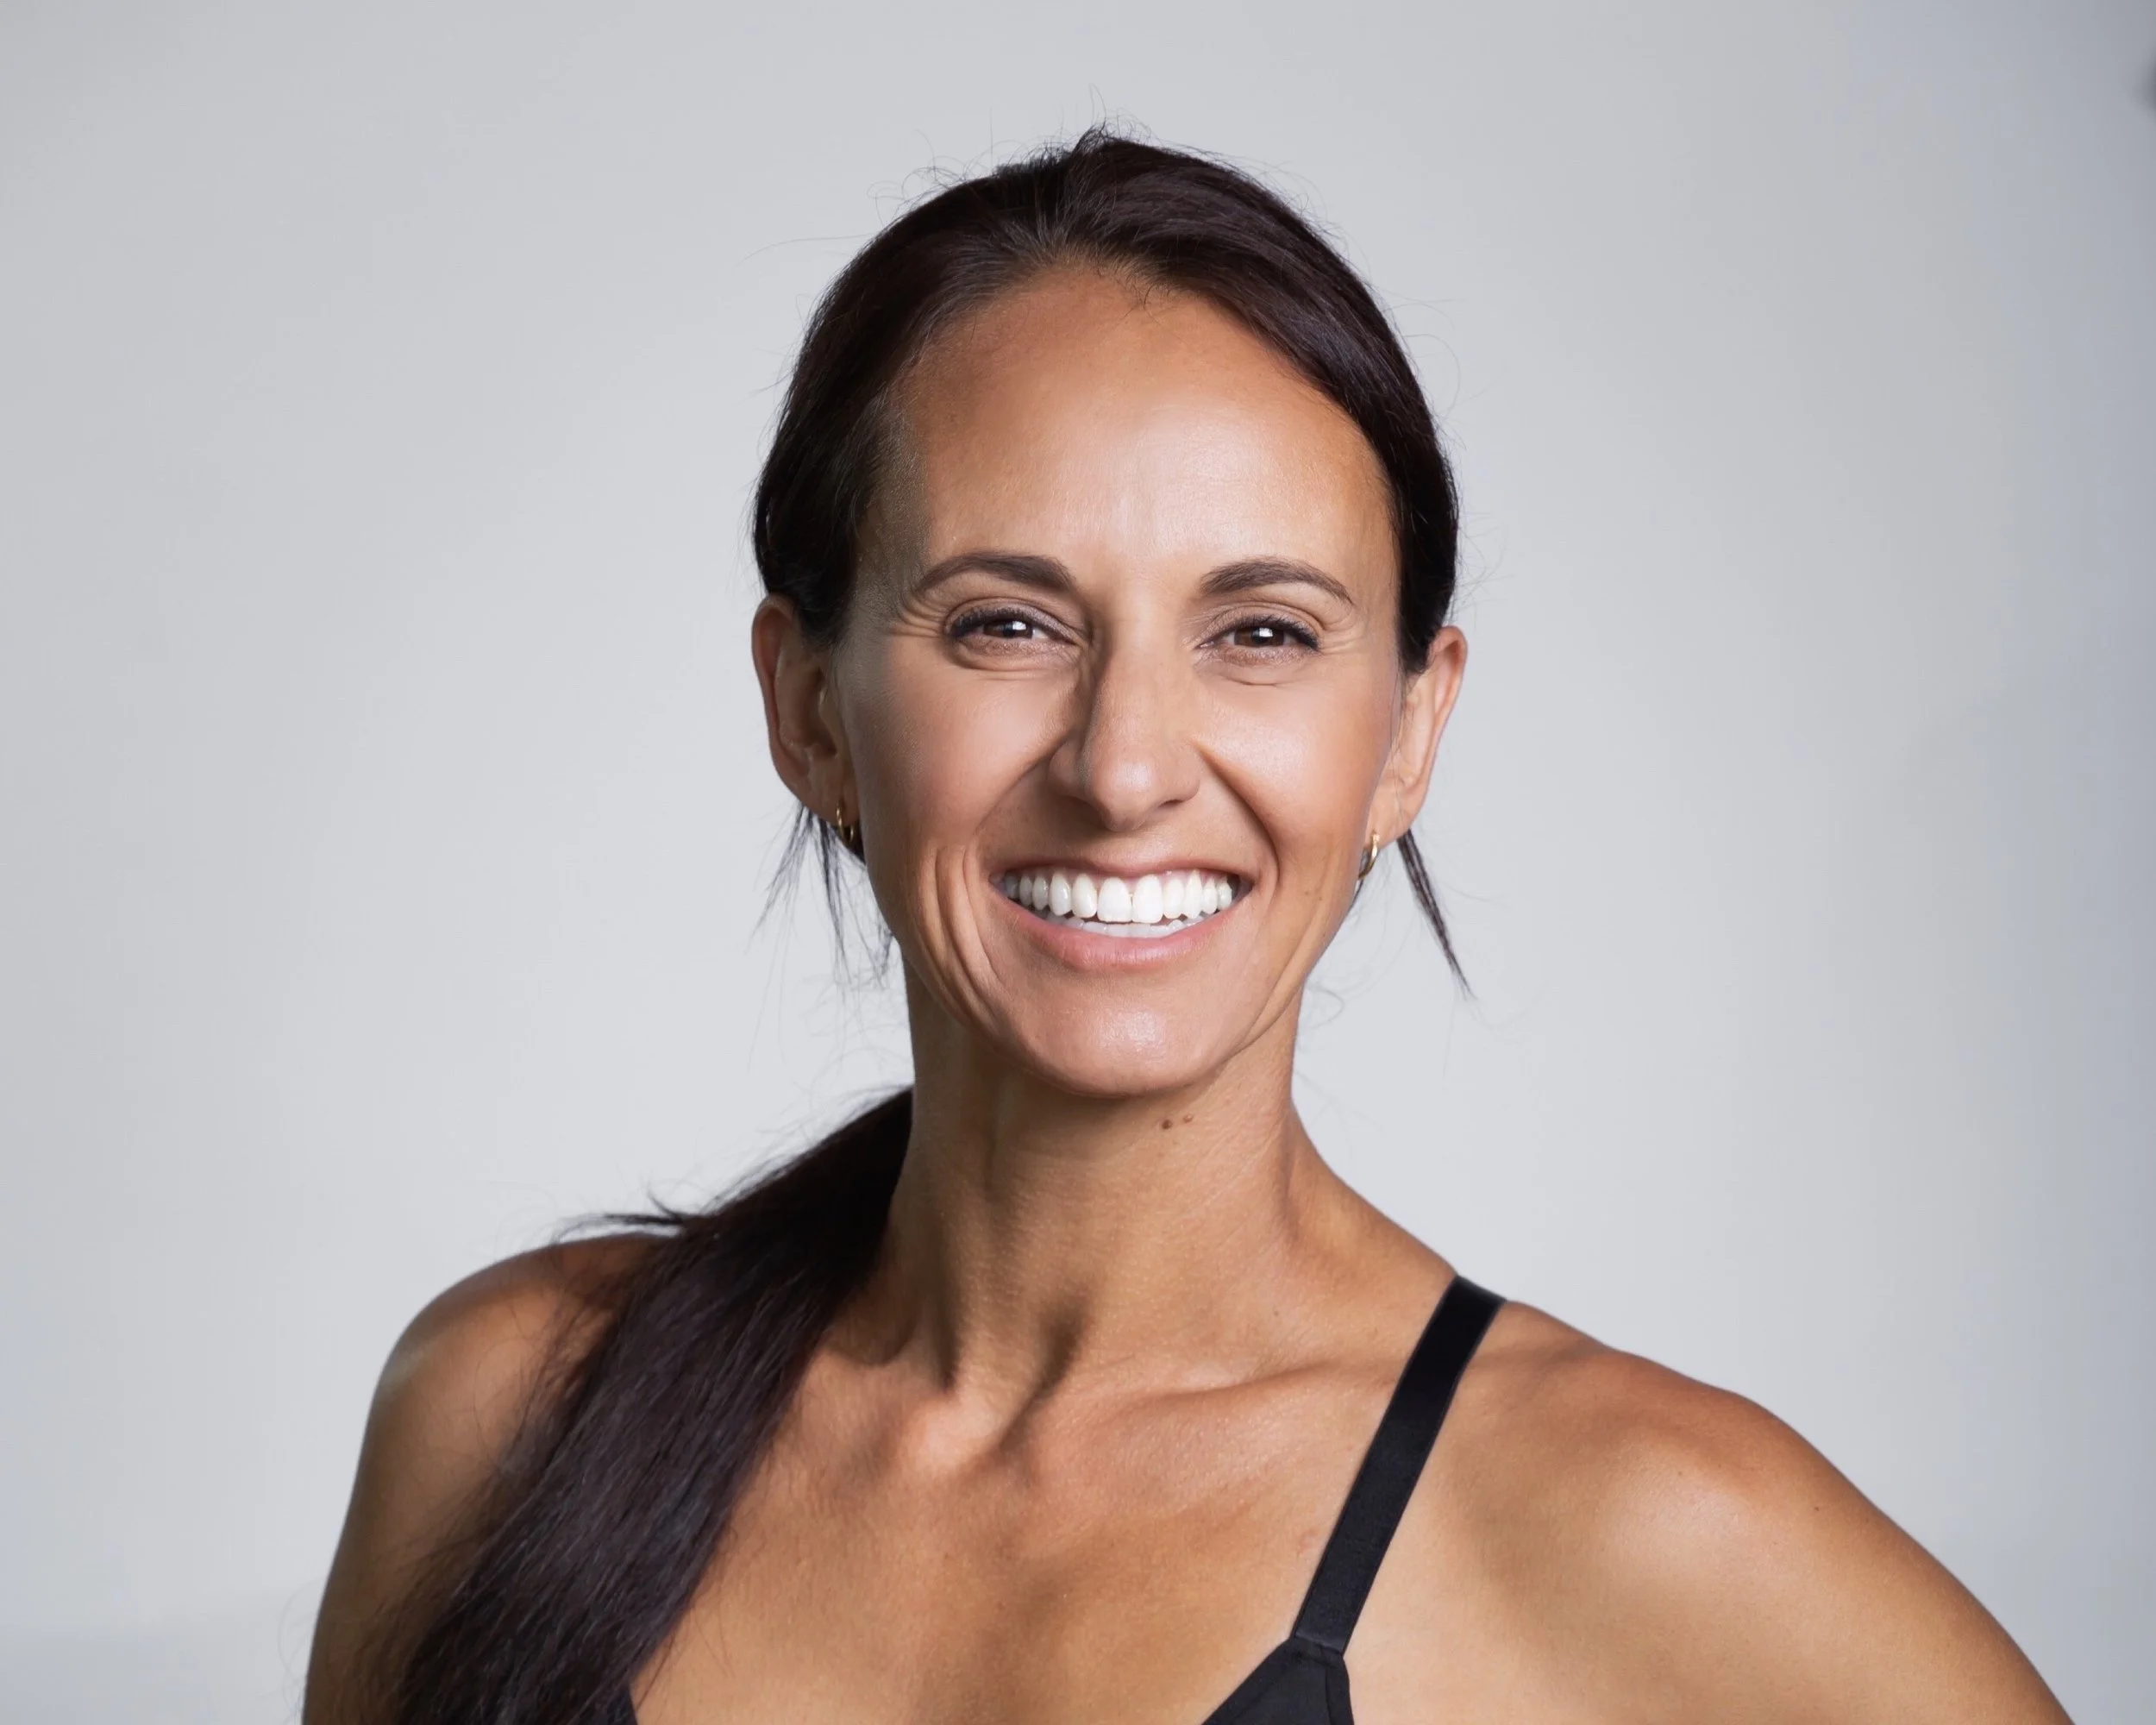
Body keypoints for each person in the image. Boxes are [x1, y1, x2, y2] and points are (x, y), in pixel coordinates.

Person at [304, 132, 2067, 1725]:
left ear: (1408, 734)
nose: (1126, 764)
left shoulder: (1641, 1535)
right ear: (809, 708)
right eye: (1005, 624)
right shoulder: (505, 1422)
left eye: (1262, 633)